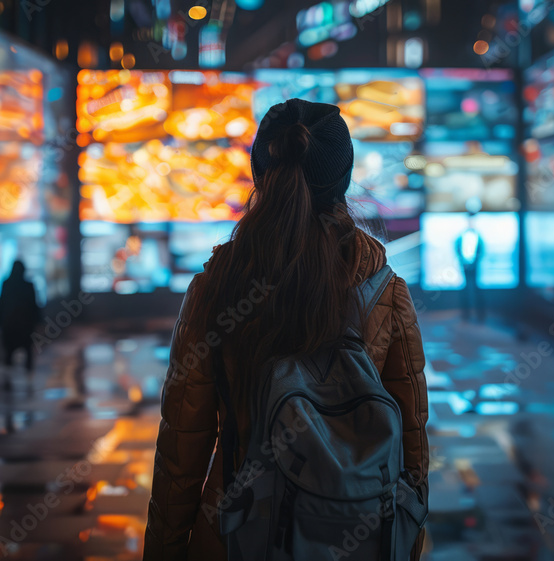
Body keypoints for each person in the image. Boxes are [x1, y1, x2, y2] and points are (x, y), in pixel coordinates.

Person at [144, 99, 429, 560]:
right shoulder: (385, 292)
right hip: (352, 533)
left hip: (237, 535)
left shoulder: (216, 289)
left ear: (260, 174)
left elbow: (181, 455)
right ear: (342, 179)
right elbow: (411, 454)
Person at [0, 260, 41, 381]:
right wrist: (38, 322)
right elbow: (34, 306)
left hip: (9, 326)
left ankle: (8, 378)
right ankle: (29, 377)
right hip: (25, 326)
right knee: (28, 351)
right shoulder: (28, 285)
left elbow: (1, 305)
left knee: (9, 352)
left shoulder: (6, 284)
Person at [455, 202, 485, 323]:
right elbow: (457, 248)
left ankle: (480, 315)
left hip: (475, 266)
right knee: (465, 290)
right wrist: (463, 261)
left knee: (477, 290)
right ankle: (466, 315)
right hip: (465, 265)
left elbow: (481, 251)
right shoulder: (461, 236)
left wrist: (475, 261)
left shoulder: (478, 236)